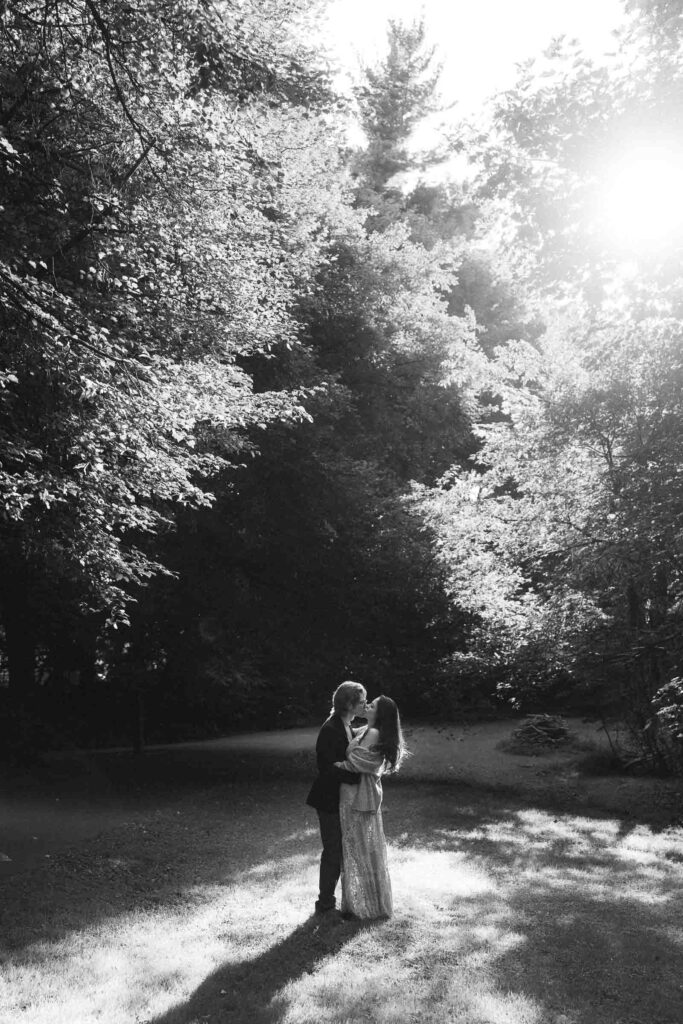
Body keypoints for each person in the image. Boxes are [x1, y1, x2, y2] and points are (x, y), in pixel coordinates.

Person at [334, 695, 406, 920]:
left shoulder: (373, 733)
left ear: (379, 713)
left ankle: (364, 905)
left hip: (358, 795)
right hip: (360, 794)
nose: (368, 706)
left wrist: (335, 765)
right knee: (362, 847)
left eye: (372, 705)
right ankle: (366, 901)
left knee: (359, 848)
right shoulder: (368, 729)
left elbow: (356, 761)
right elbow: (349, 734)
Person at [306, 681, 367, 914]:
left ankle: (339, 899)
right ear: (349, 703)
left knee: (341, 849)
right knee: (333, 851)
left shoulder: (347, 725)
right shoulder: (331, 728)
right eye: (361, 701)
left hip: (340, 799)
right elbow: (327, 769)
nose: (364, 704)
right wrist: (359, 776)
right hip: (328, 799)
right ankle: (325, 903)